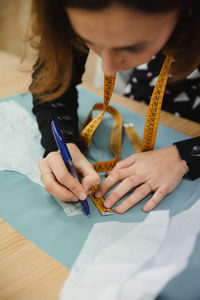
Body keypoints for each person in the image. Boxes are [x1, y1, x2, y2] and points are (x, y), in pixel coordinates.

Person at [30, 0, 200, 214]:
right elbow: (52, 84)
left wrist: (184, 156)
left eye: (134, 47)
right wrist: (62, 144)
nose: (107, 68)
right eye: (89, 40)